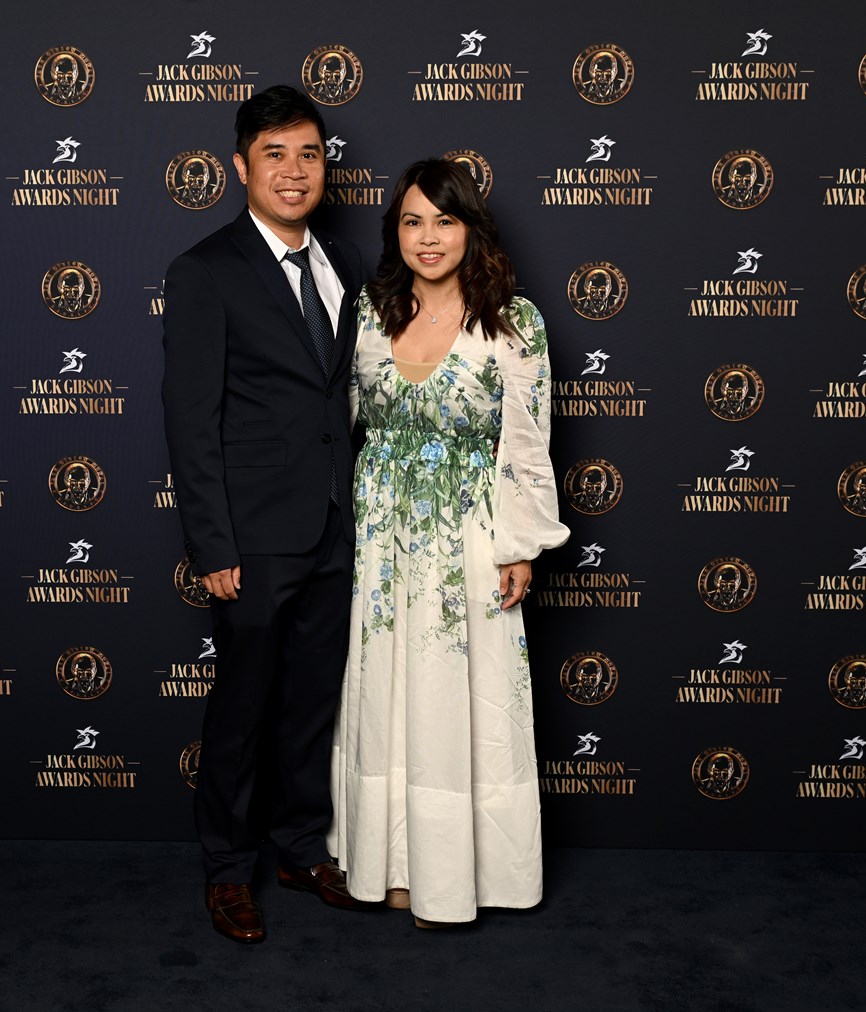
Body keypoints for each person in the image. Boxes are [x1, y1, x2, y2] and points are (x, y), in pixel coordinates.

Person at [327, 159, 569, 927]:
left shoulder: (513, 320)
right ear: (394, 232)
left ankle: (456, 878)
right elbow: (336, 424)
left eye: (444, 220)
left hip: (469, 536)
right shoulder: (368, 313)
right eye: (412, 221)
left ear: (471, 229)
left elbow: (527, 442)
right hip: (379, 542)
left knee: (460, 700)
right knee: (386, 697)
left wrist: (519, 545)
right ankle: (392, 867)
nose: (428, 238)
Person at [161, 85, 365, 944]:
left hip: (333, 525)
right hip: (249, 538)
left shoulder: (341, 263)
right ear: (240, 167)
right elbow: (190, 419)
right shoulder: (205, 270)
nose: (294, 171)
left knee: (313, 701)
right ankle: (226, 870)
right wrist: (213, 545)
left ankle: (297, 847)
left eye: (308, 154)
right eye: (274, 154)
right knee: (243, 709)